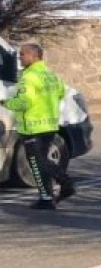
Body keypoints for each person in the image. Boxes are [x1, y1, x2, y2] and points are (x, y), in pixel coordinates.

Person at [6, 44, 75, 209]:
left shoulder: (29, 77)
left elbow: (25, 101)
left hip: (33, 126)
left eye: (23, 54)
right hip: (49, 124)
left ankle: (57, 190)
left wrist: (7, 103)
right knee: (41, 161)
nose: (20, 57)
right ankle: (54, 192)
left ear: (34, 56)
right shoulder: (50, 74)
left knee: (38, 163)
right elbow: (61, 93)